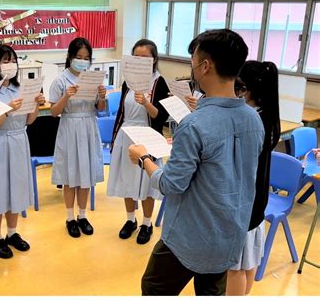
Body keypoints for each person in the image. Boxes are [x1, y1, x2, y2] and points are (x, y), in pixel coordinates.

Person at [128, 29, 264, 295]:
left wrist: (144, 159)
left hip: (189, 238)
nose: (191, 68)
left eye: (192, 62)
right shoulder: (253, 119)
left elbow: (170, 185)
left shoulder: (194, 125)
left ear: (205, 66)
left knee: (154, 288)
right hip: (229, 235)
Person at [0, 44, 45, 259]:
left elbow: (29, 121)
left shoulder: (19, 90)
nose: (10, 65)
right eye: (5, 61)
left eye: (13, 60)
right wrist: (8, 108)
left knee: (16, 189)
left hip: (19, 141)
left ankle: (12, 233)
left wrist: (36, 104)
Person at [107, 38, 170, 244]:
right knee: (128, 180)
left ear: (154, 60)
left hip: (147, 135)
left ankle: (146, 223)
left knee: (146, 183)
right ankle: (130, 220)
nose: (140, 61)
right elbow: (121, 114)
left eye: (145, 58)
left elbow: (161, 116)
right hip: (127, 134)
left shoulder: (159, 82)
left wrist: (146, 102)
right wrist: (116, 138)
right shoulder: (128, 81)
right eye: (136, 57)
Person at [226, 61, 280, 295]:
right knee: (247, 258)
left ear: (245, 89)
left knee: (234, 266)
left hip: (244, 200)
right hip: (256, 198)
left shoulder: (250, 120)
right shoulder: (266, 115)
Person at [49, 37, 106, 238]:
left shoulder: (92, 78)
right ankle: (70, 217)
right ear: (70, 57)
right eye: (78, 57)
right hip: (69, 126)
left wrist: (102, 96)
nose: (82, 61)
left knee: (86, 173)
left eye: (86, 57)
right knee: (70, 174)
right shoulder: (60, 80)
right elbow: (54, 112)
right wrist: (66, 96)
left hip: (89, 126)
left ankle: (82, 215)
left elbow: (100, 109)